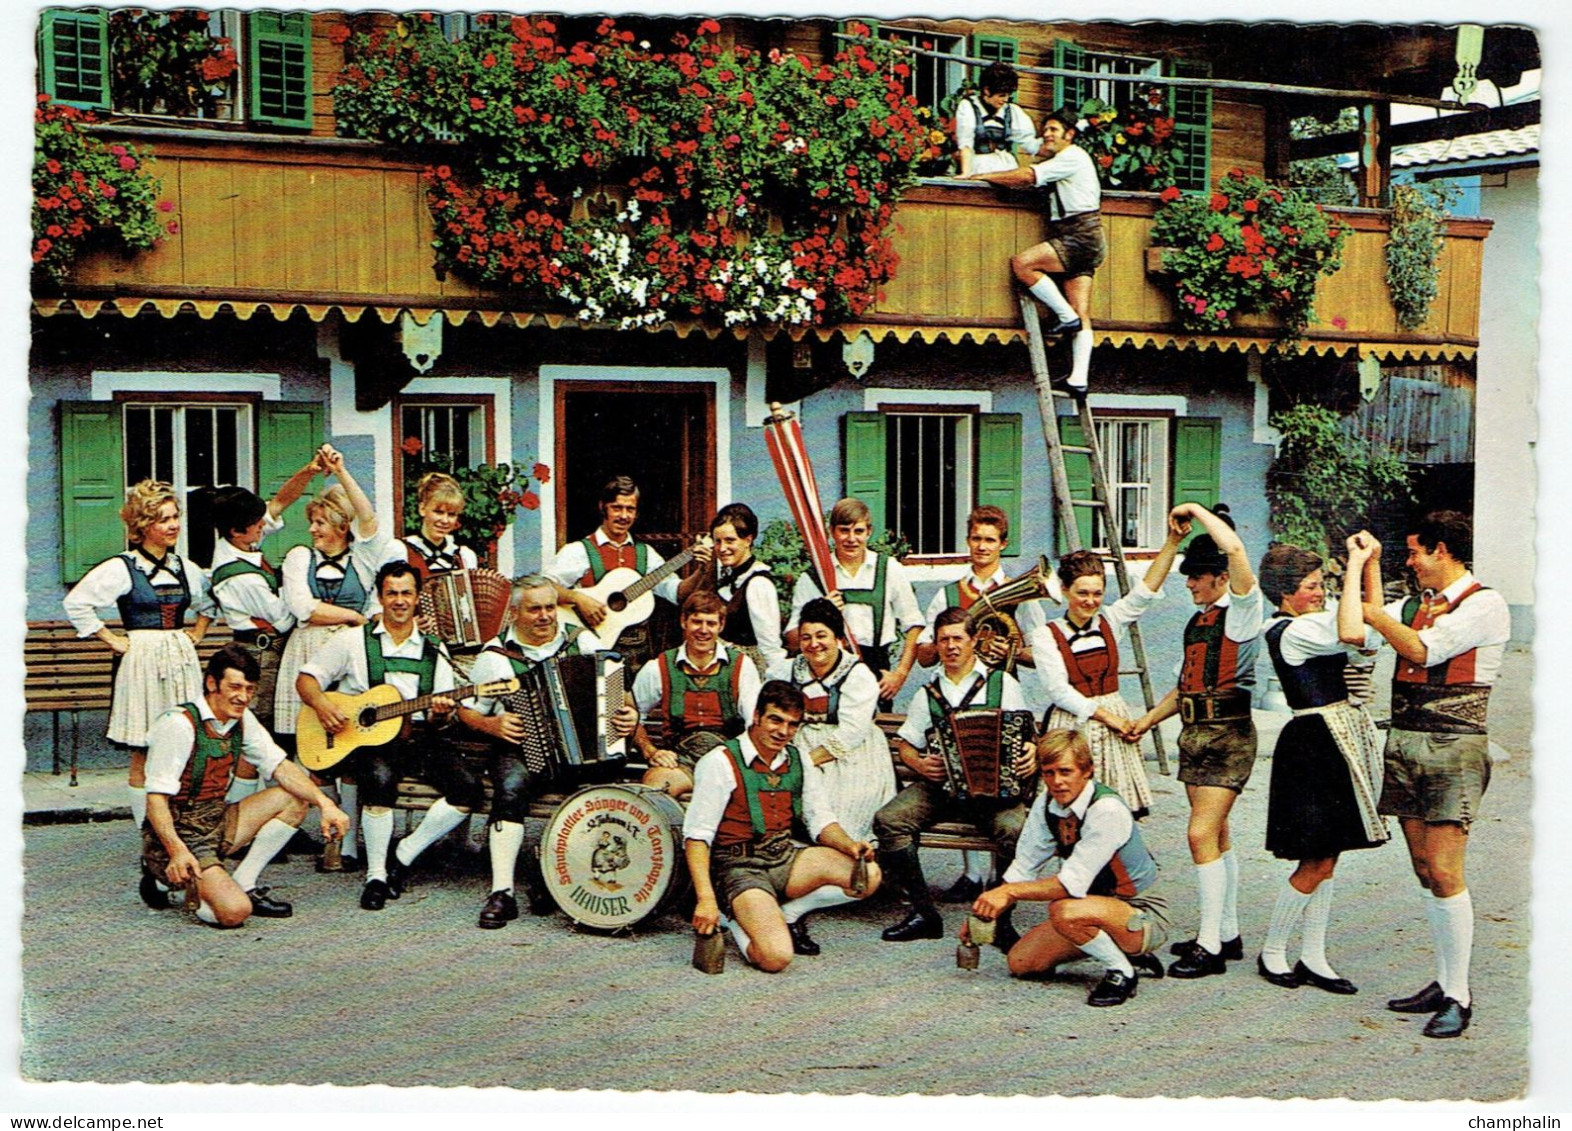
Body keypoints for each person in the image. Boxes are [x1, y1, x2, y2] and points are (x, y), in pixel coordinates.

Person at [1360, 512, 1509, 1039]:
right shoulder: (1418, 604)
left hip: (1453, 747)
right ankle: (1443, 980)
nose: (1410, 561)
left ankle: (1459, 995)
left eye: (1415, 552)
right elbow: (1366, 636)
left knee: (1446, 871)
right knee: (1425, 868)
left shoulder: (1485, 603)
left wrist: (1376, 615)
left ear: (1442, 550)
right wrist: (1371, 566)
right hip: (1406, 740)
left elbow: (1423, 649)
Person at [295, 560, 481, 911]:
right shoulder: (351, 640)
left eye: (406, 593)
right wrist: (322, 706)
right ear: (380, 597)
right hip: (369, 740)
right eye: (391, 593)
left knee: (468, 789)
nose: (399, 601)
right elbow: (306, 679)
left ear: (417, 598)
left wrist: (441, 714)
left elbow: (442, 719)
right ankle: (376, 875)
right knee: (378, 779)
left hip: (421, 736)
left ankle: (406, 852)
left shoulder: (434, 650)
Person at [1128, 503, 1263, 979]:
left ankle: (1208, 947)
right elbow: (1184, 685)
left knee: (1199, 833)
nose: (1188, 583)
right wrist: (1146, 721)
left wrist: (1199, 513)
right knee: (1217, 834)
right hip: (1194, 732)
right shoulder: (1198, 621)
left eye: (1196, 576)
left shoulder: (1244, 612)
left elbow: (1236, 547)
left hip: (1228, 733)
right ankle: (1226, 933)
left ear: (1220, 578)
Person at [62, 479, 217, 887]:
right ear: (143, 525)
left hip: (180, 659)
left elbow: (209, 602)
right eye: (163, 519)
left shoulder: (187, 568)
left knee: (182, 749)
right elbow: (77, 602)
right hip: (142, 660)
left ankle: (181, 838)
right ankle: (150, 852)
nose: (172, 525)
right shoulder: (122, 567)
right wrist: (111, 639)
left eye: (175, 517)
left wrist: (197, 632)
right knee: (143, 752)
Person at [458, 573, 631, 929]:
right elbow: (467, 709)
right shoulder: (496, 656)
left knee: (609, 785)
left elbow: (617, 695)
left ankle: (558, 876)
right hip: (522, 748)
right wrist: (490, 725)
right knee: (510, 787)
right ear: (515, 613)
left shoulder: (580, 642)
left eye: (550, 607)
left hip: (583, 753)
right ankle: (502, 892)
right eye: (534, 609)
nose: (545, 616)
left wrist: (628, 716)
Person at [1254, 541, 1389, 995]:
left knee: (1328, 854)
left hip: (1334, 738)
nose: (1319, 593)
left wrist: (1371, 565)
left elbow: (1371, 628)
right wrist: (1354, 564)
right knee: (1318, 856)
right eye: (1311, 586)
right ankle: (1273, 951)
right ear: (1286, 594)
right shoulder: (1291, 630)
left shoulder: (1315, 623)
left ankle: (1313, 954)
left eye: (1322, 585)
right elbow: (1355, 633)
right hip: (1315, 741)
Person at [142, 644, 349, 927]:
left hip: (216, 819)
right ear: (212, 683)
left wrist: (326, 804)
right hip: (179, 833)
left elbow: (280, 766)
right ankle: (165, 878)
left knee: (294, 798)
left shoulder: (241, 719)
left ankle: (244, 883)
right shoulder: (179, 724)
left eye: (250, 689)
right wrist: (177, 851)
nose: (243, 697)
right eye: (235, 687)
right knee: (234, 913)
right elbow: (155, 800)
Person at [684, 681, 882, 971]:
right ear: (756, 716)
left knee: (868, 875)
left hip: (783, 856)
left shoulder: (798, 757)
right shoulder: (720, 761)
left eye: (792, 725)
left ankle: (788, 913)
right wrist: (706, 899)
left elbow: (820, 818)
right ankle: (734, 921)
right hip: (739, 866)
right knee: (776, 958)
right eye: (775, 720)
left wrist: (849, 845)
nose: (783, 732)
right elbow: (697, 837)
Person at [873, 607, 1037, 947]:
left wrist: (1031, 753)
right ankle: (923, 913)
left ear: (975, 640)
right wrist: (917, 764)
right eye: (944, 639)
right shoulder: (927, 693)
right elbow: (905, 743)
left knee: (1016, 829)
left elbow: (1028, 735)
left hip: (997, 792)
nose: (950, 646)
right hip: (942, 790)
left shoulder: (1001, 684)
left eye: (958, 638)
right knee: (889, 820)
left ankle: (998, 918)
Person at [970, 730, 1168, 1006]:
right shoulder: (1047, 802)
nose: (1057, 782)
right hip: (1091, 907)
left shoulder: (1106, 809)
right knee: (1022, 963)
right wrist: (984, 910)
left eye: (1066, 771)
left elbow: (1068, 885)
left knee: (1064, 909)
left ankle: (1122, 971)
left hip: (1141, 912)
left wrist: (1010, 894)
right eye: (1049, 773)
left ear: (1087, 771)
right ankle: (1122, 951)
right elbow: (1024, 865)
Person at [914, 503, 1045, 902]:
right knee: (963, 774)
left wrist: (1012, 649)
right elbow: (923, 653)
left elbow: (1040, 654)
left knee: (993, 780)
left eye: (990, 540)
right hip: (954, 692)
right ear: (967, 542)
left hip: (999, 696)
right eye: (976, 539)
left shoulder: (1022, 591)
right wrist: (946, 646)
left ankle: (997, 878)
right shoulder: (949, 593)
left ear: (1003, 544)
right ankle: (972, 875)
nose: (982, 547)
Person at [1028, 515, 1187, 821]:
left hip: (1114, 722)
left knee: (1115, 811)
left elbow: (1146, 590)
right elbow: (1059, 690)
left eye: (1097, 593)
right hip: (1073, 724)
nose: (1090, 601)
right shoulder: (1046, 635)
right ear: (1064, 590)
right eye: (1082, 593)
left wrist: (1173, 542)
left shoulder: (1111, 621)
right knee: (1072, 812)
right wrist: (1108, 717)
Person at [274, 445, 386, 870]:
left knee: (350, 746)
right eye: (313, 522)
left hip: (350, 657)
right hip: (308, 652)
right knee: (311, 750)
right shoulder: (300, 557)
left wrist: (342, 470)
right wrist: (355, 615)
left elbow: (369, 517)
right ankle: (322, 836)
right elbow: (304, 608)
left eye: (321, 522)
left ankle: (348, 846)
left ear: (341, 525)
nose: (315, 529)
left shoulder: (363, 558)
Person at [766, 598, 895, 954]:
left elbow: (850, 735)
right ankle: (792, 878)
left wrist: (803, 766)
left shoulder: (857, 674)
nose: (813, 645)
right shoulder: (787, 670)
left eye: (821, 636)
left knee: (835, 808)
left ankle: (813, 889)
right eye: (806, 637)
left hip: (851, 757)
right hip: (800, 745)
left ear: (839, 638)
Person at [968, 107, 1104, 391]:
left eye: (1054, 130)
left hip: (1077, 234)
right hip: (1087, 236)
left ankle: (1064, 318)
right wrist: (1041, 150)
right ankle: (1079, 380)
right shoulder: (1068, 158)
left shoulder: (1071, 156)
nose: (1047, 134)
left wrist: (983, 177)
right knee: (1082, 311)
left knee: (1023, 264)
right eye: (1046, 129)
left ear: (1070, 134)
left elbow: (1029, 175)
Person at [207, 457, 322, 778]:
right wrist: (297, 580)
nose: (263, 525)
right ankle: (243, 811)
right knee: (260, 734)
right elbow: (286, 618)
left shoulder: (241, 540)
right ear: (236, 530)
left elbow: (281, 502)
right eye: (257, 523)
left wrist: (308, 470)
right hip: (261, 653)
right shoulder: (241, 577)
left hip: (270, 649)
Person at [786, 497, 924, 710]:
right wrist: (820, 610)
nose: (851, 539)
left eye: (858, 531)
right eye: (844, 530)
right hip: (827, 672)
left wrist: (900, 674)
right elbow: (793, 639)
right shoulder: (815, 577)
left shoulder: (888, 569)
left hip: (877, 671)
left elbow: (914, 625)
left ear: (869, 532)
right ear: (832, 532)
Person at [546, 474, 693, 670]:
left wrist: (703, 568)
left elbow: (678, 592)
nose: (624, 516)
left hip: (637, 655)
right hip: (587, 650)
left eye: (630, 509)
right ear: (603, 507)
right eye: (617, 508)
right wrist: (577, 598)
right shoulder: (578, 550)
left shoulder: (646, 554)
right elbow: (543, 587)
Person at [629, 591, 762, 799]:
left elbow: (753, 722)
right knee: (653, 790)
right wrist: (651, 751)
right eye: (696, 622)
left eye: (710, 623)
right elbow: (632, 715)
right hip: (683, 762)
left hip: (729, 759)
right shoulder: (659, 667)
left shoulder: (741, 666)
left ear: (721, 625)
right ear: (684, 621)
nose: (703, 630)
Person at [677, 502, 785, 675]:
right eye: (717, 542)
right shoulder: (724, 575)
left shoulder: (758, 584)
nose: (722, 549)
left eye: (730, 541)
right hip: (722, 672)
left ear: (748, 540)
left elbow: (770, 647)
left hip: (748, 674)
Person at [954, 62, 1042, 177]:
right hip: (979, 165)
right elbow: (966, 144)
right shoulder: (968, 106)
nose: (1005, 99)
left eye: (1007, 95)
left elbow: (1030, 143)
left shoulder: (1012, 111)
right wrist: (965, 173)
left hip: (1005, 167)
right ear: (986, 90)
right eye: (1001, 95)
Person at [397, 471, 479, 580]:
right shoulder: (402, 551)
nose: (445, 520)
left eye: (451, 514)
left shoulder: (464, 556)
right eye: (438, 512)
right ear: (422, 509)